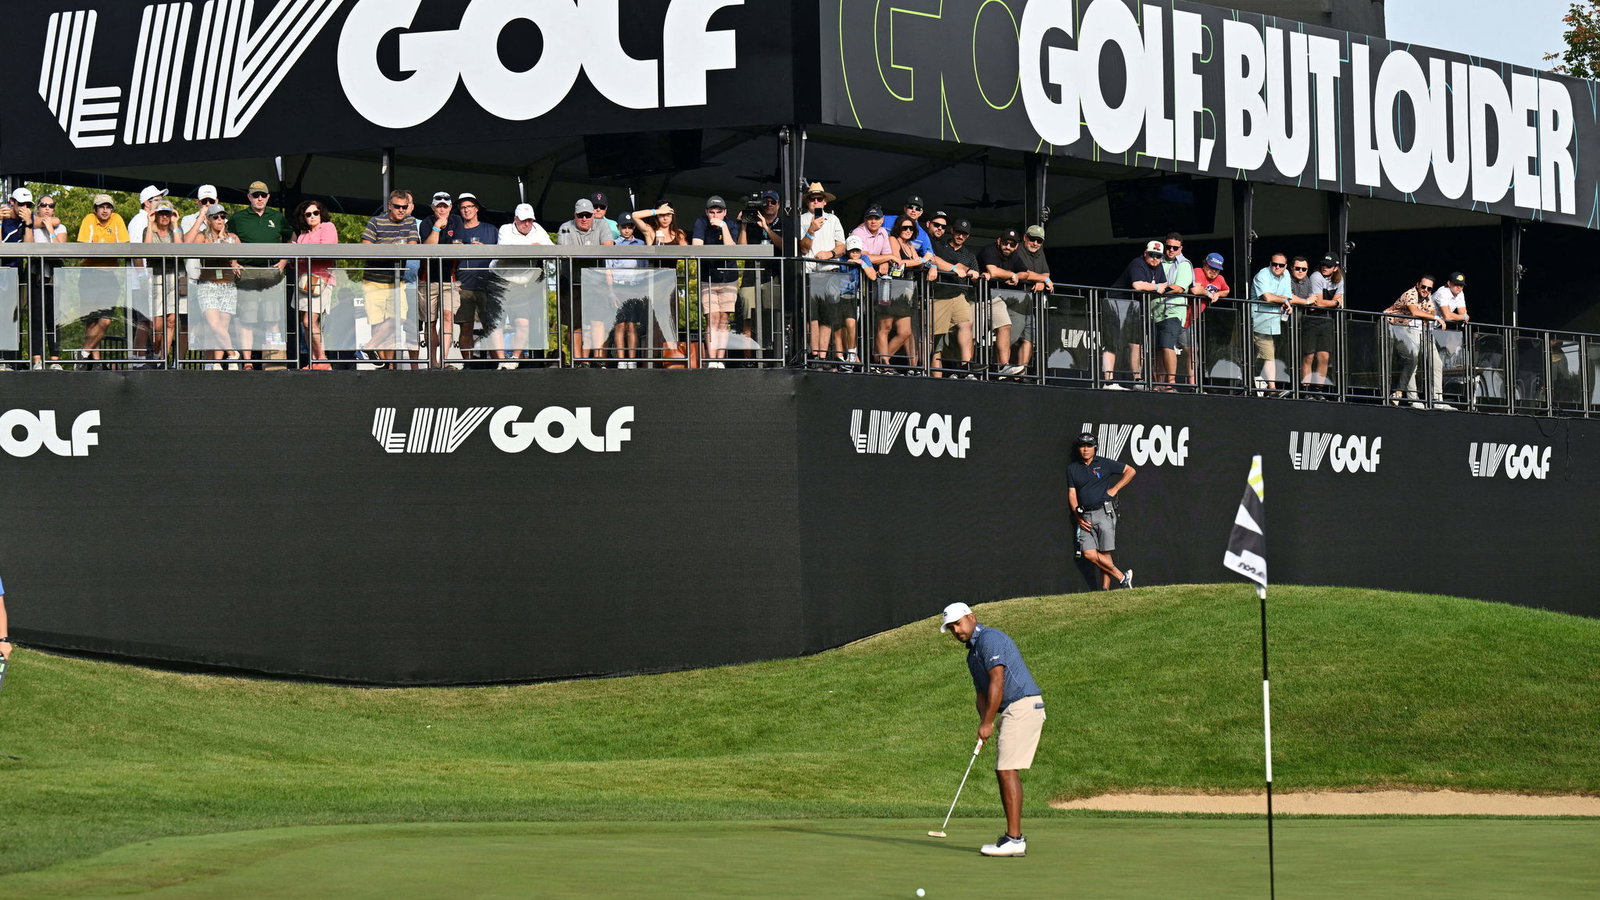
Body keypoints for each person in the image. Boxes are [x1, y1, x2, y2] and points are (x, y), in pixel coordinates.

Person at [939, 601, 1045, 858]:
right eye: (951, 628)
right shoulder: (972, 655)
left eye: (958, 624)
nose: (956, 631)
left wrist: (988, 723)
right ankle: (1013, 838)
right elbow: (982, 693)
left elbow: (998, 680)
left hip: (1022, 704)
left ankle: (1015, 840)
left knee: (1006, 770)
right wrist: (983, 722)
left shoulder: (990, 639)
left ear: (971, 617)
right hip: (1012, 710)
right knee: (1005, 769)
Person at [228, 181, 291, 369]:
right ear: (249, 197)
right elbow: (227, 239)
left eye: (263, 195)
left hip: (272, 272)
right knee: (246, 319)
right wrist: (233, 262)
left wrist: (283, 261)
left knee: (273, 319)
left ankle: (274, 362)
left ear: (268, 196)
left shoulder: (277, 217)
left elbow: (292, 239)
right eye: (256, 195)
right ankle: (247, 363)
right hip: (247, 272)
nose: (260, 198)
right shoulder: (238, 218)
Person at [1067, 431, 1136, 590]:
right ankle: (1122, 576)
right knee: (1089, 553)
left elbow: (1130, 471)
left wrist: (1115, 489)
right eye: (1082, 446)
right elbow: (1072, 494)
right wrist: (1078, 517)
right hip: (1085, 515)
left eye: (1089, 446)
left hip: (1104, 512)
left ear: (1095, 447)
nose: (1085, 449)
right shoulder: (1072, 469)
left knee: (1105, 552)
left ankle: (1105, 591)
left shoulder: (1104, 463)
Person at [360, 189, 419, 367]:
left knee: (398, 319)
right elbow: (365, 248)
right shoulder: (376, 221)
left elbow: (412, 248)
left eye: (404, 207)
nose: (401, 210)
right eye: (397, 206)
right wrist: (392, 249)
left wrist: (387, 250)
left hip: (396, 280)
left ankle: (370, 347)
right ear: (389, 206)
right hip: (373, 279)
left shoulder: (410, 221)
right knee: (377, 324)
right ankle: (387, 366)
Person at [494, 203, 555, 367]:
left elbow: (552, 250)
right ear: (515, 219)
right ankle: (501, 360)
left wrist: (536, 248)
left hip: (521, 284)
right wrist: (533, 248)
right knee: (496, 323)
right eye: (523, 220)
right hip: (499, 281)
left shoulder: (538, 229)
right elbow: (507, 250)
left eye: (530, 220)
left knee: (523, 323)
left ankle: (514, 359)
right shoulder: (505, 229)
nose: (527, 224)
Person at [797, 183, 850, 366]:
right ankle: (813, 355)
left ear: (825, 202)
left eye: (819, 199)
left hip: (830, 271)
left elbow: (842, 246)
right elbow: (803, 249)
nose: (816, 202)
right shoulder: (801, 220)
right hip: (810, 272)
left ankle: (822, 356)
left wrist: (830, 254)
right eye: (812, 199)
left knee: (827, 317)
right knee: (812, 317)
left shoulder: (833, 219)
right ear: (807, 202)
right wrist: (811, 230)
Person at [75, 194, 130, 366]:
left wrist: (101, 251)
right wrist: (106, 251)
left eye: (108, 207)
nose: (105, 210)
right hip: (89, 275)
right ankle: (95, 361)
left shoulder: (117, 219)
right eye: (101, 207)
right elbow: (84, 248)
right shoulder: (89, 219)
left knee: (105, 320)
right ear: (95, 209)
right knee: (91, 321)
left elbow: (123, 246)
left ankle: (83, 353)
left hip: (109, 275)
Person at [185, 204, 242, 369]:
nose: (220, 220)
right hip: (207, 284)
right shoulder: (202, 237)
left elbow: (237, 255)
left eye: (223, 217)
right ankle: (232, 353)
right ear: (208, 220)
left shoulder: (232, 237)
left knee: (223, 327)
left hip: (228, 285)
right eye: (215, 217)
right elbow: (188, 245)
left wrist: (235, 262)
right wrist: (201, 219)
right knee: (213, 324)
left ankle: (218, 363)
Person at [1104, 241, 1167, 388]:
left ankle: (1137, 380)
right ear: (1145, 254)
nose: (1155, 258)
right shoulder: (1137, 263)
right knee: (1113, 342)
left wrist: (1156, 287)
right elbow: (1138, 285)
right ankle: (1108, 381)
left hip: (1135, 307)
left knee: (1136, 344)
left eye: (1158, 256)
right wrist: (1156, 287)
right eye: (1152, 254)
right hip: (1116, 303)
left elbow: (1164, 285)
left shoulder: (1159, 267)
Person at [1384, 275, 1450, 410]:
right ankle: (1412, 398)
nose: (1426, 290)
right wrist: (1435, 317)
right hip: (1390, 327)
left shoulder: (1428, 296)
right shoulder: (1411, 293)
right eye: (1423, 286)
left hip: (1409, 329)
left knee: (1436, 363)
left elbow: (1431, 310)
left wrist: (1431, 315)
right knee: (1411, 360)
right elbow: (1414, 312)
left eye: (1429, 288)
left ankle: (1437, 399)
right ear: (1418, 285)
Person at [449, 193, 499, 367]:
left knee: (491, 327)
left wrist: (485, 249)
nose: (466, 210)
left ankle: (499, 364)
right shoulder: (455, 230)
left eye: (469, 206)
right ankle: (468, 365)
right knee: (466, 327)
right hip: (463, 285)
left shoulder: (490, 229)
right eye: (463, 207)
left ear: (476, 208)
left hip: (488, 285)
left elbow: (501, 255)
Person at [562, 197, 615, 363]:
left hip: (596, 281)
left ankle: (599, 361)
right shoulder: (565, 227)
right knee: (575, 324)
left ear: (593, 215)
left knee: (598, 321)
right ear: (575, 215)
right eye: (580, 215)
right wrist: (592, 253)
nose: (584, 218)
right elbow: (566, 254)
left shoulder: (602, 225)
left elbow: (608, 249)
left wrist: (580, 254)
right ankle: (577, 362)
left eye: (587, 215)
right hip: (572, 281)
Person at [20, 190, 68, 368]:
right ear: (38, 208)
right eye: (44, 205)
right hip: (35, 274)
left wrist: (50, 230)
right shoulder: (31, 225)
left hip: (55, 276)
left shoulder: (60, 228)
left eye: (51, 205)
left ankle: (55, 360)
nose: (47, 208)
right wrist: (36, 224)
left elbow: (61, 250)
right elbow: (28, 248)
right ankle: (37, 360)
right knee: (36, 317)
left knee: (54, 318)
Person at [925, 215, 978, 377]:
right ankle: (932, 378)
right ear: (952, 231)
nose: (960, 236)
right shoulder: (939, 245)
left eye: (964, 234)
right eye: (958, 232)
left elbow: (975, 276)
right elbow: (933, 259)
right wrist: (956, 267)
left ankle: (966, 368)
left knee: (966, 324)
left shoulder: (969, 255)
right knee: (936, 342)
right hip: (938, 295)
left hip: (959, 295)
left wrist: (975, 274)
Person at [691, 195, 738, 367]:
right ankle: (711, 359)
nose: (715, 215)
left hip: (729, 278)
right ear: (706, 212)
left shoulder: (730, 224)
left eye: (719, 212)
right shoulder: (701, 222)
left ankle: (720, 359)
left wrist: (723, 226)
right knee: (711, 318)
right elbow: (696, 247)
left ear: (725, 212)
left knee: (724, 319)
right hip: (707, 277)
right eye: (712, 212)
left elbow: (731, 249)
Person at [978, 229, 1033, 377]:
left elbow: (1026, 273)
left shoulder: (1014, 255)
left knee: (1005, 327)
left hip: (996, 301)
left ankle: (1003, 368)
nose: (1008, 246)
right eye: (1005, 243)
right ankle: (966, 369)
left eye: (1012, 244)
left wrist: (1016, 275)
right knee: (970, 335)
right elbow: (993, 271)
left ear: (1016, 246)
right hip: (977, 299)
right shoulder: (989, 250)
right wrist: (1012, 275)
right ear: (999, 241)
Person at [419, 191, 466, 359]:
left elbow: (458, 247)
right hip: (427, 279)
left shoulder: (457, 221)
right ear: (432, 207)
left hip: (450, 279)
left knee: (447, 317)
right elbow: (428, 248)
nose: (442, 209)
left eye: (445, 206)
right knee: (430, 322)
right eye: (439, 206)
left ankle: (443, 360)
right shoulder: (426, 222)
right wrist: (437, 227)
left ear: (451, 207)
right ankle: (433, 361)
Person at [291, 199, 339, 369]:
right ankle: (314, 360)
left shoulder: (327, 227)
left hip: (321, 278)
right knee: (306, 324)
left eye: (315, 213)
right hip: (304, 280)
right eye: (308, 214)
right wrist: (294, 253)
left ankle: (322, 359)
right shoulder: (302, 235)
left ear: (321, 213)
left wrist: (301, 252)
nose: (312, 216)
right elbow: (296, 263)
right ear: (303, 217)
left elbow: (325, 251)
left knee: (309, 321)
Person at [139, 202, 185, 365]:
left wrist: (176, 224)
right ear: (155, 215)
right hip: (157, 278)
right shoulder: (148, 230)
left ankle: (164, 359)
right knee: (157, 324)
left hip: (175, 276)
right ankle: (157, 352)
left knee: (171, 320)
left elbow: (180, 251)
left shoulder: (177, 231)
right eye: (161, 213)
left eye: (168, 213)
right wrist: (149, 222)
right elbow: (147, 251)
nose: (165, 217)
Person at [605, 212, 648, 368]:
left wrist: (643, 291)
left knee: (632, 325)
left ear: (634, 227)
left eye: (630, 227)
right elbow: (608, 270)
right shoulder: (613, 245)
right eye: (624, 227)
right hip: (618, 286)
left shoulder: (641, 244)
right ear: (618, 227)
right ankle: (622, 360)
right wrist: (611, 292)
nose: (627, 230)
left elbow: (644, 269)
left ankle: (632, 360)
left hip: (634, 287)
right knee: (620, 325)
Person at [1248, 252, 1293, 394]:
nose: (1277, 267)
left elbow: (1287, 296)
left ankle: (1257, 385)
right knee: (1268, 354)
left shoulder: (1286, 275)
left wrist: (1282, 299)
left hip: (1277, 322)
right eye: (1275, 264)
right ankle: (1272, 389)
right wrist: (1283, 300)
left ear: (1286, 266)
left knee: (1263, 355)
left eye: (1281, 265)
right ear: (1270, 264)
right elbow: (1267, 297)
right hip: (1260, 321)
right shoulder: (1262, 275)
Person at [1153, 233, 1194, 388]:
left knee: (1166, 345)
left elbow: (1179, 287)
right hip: (1154, 311)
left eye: (1175, 248)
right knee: (1157, 349)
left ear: (1180, 248)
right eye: (1168, 247)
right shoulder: (1158, 260)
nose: (1171, 250)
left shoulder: (1184, 264)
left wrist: (1157, 288)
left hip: (1173, 311)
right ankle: (1158, 384)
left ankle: (1170, 384)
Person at [1302, 254, 1345, 395]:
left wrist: (1332, 303)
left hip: (1327, 320)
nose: (1324, 267)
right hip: (1311, 319)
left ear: (1335, 268)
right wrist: (1335, 303)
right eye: (1323, 265)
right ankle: (1305, 390)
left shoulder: (1339, 279)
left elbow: (1329, 301)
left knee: (1324, 357)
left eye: (1328, 266)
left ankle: (1318, 391)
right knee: (1309, 356)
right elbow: (1318, 303)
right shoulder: (1316, 276)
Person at [1187, 252, 1230, 386]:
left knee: (1193, 350)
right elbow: (1195, 290)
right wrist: (1208, 293)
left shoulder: (1220, 278)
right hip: (1183, 315)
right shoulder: (1198, 271)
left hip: (1194, 319)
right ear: (1204, 264)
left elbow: (1226, 290)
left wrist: (1218, 294)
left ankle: (1193, 385)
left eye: (1217, 269)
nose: (1213, 271)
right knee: (1183, 350)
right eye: (1211, 267)